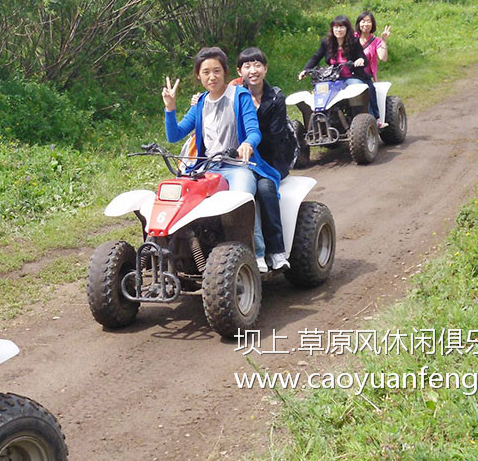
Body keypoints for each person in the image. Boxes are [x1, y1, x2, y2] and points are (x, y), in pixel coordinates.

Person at [162, 47, 281, 273]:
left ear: (225, 72)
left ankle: (256, 253)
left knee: (243, 199)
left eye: (216, 70)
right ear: (198, 75)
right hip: (207, 168)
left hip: (237, 167)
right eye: (206, 72)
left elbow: (254, 131)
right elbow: (174, 135)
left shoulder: (240, 96)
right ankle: (187, 253)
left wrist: (247, 144)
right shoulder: (200, 104)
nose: (212, 76)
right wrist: (170, 108)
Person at [235, 47, 293, 270]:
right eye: (247, 66)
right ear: (240, 71)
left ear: (266, 69)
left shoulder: (276, 97)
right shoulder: (236, 95)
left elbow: (276, 137)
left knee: (265, 189)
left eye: (257, 65)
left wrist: (250, 142)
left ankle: (276, 251)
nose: (253, 70)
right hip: (240, 160)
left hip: (270, 159)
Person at [298, 15, 379, 125]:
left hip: (351, 76)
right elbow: (316, 57)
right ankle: (323, 122)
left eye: (341, 27)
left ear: (347, 29)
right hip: (333, 78)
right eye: (336, 27)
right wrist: (305, 70)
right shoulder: (327, 42)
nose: (338, 30)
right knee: (320, 94)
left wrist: (360, 60)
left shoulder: (354, 42)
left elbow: (363, 57)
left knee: (362, 89)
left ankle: (372, 119)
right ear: (332, 29)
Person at [354, 11, 391, 82]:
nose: (366, 24)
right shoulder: (352, 37)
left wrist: (383, 40)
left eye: (368, 21)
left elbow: (383, 58)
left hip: (366, 77)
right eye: (363, 21)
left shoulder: (376, 41)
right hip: (349, 75)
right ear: (358, 23)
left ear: (372, 24)